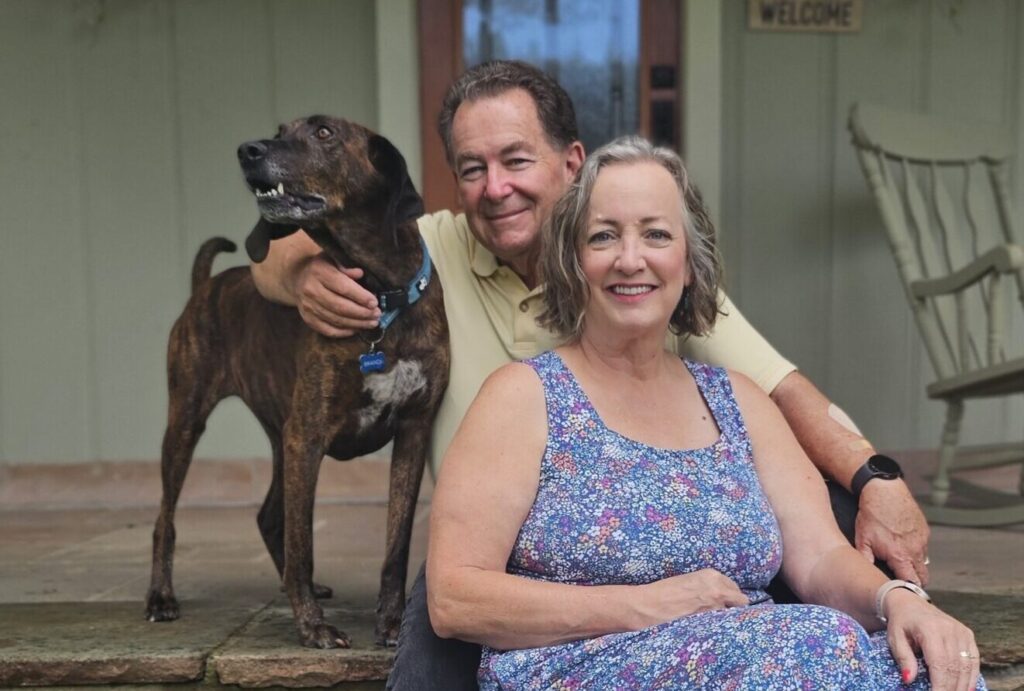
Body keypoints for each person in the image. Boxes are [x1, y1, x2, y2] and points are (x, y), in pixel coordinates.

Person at [250, 60, 931, 688]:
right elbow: (268, 258)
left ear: (572, 162)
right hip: (503, 544)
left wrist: (876, 475)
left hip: (682, 559)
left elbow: (781, 388)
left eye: (516, 160)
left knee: (829, 522)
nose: (495, 188)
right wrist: (303, 272)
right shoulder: (430, 252)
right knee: (436, 645)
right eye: (471, 168)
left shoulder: (649, 276)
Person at [427, 135, 982, 690]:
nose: (630, 258)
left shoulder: (738, 401)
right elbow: (455, 598)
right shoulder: (524, 397)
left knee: (933, 666)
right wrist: (644, 605)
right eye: (603, 236)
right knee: (820, 644)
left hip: (763, 663)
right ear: (573, 263)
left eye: (656, 235)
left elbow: (818, 559)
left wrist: (899, 601)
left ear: (689, 263)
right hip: (581, 665)